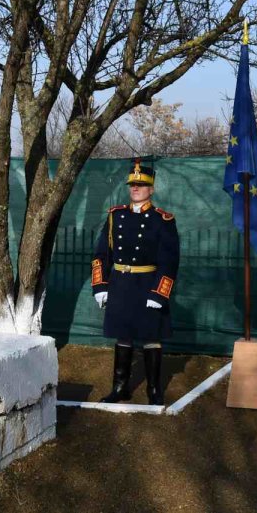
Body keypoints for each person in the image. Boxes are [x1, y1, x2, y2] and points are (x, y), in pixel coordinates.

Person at [91, 159, 180, 405]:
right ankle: (120, 387)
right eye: (132, 185)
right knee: (123, 336)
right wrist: (100, 286)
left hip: (148, 284)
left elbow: (169, 260)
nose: (135, 189)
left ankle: (154, 389)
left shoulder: (163, 220)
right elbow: (101, 254)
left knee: (151, 337)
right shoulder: (115, 216)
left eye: (141, 185)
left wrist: (159, 293)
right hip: (120, 283)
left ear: (151, 189)